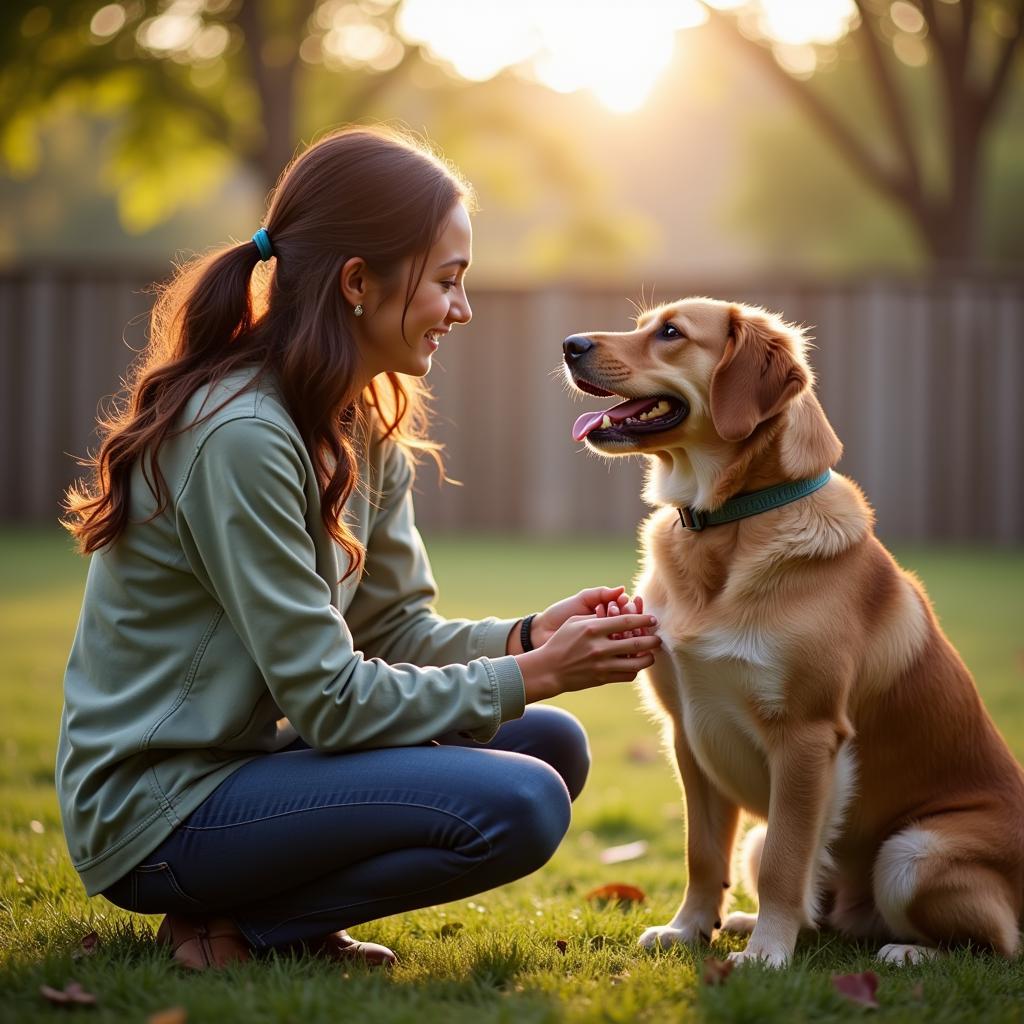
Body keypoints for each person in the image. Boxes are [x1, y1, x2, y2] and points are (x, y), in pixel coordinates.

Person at [57, 126, 660, 971]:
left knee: (550, 745)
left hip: (254, 763)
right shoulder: (243, 435)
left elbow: (395, 633)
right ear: (356, 283)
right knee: (520, 801)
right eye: (448, 281)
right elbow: (331, 701)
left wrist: (530, 637)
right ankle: (236, 931)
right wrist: (538, 672)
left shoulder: (360, 420)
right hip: (161, 806)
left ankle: (257, 923)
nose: (464, 307)